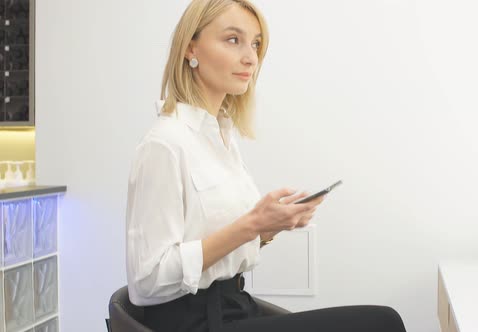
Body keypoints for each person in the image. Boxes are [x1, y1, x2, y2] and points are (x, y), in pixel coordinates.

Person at [125, 0, 407, 331]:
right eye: (233, 40)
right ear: (191, 48)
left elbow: (214, 245)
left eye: (256, 43)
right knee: (381, 322)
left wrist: (269, 228)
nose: (251, 57)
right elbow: (146, 281)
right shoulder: (164, 144)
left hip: (235, 307)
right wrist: (252, 224)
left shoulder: (220, 137)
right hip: (193, 322)